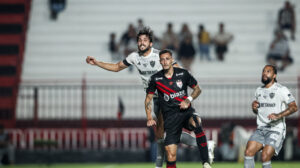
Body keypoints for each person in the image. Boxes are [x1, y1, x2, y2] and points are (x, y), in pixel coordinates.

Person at [86, 27, 214, 168]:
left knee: (167, 133)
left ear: (151, 43)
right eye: (140, 40)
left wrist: (183, 92)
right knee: (160, 135)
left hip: (169, 98)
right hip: (154, 98)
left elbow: (177, 69)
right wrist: (97, 62)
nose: (142, 42)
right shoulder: (134, 57)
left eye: (145, 40)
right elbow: (116, 67)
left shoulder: (159, 56)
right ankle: (203, 145)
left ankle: (160, 163)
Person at [145, 49, 212, 168]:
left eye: (167, 59)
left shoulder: (183, 73)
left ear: (172, 60)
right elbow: (148, 99)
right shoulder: (156, 79)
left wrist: (188, 100)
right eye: (162, 60)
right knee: (170, 156)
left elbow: (198, 89)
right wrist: (149, 117)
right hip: (170, 119)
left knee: (196, 122)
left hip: (186, 113)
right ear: (160, 62)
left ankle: (206, 162)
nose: (165, 62)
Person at [244, 65, 298, 168]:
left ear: (274, 75)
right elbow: (258, 112)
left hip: (276, 130)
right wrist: (254, 109)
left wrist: (278, 115)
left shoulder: (281, 89)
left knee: (265, 156)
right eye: (263, 71)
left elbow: (294, 107)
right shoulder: (258, 91)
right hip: (261, 129)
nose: (264, 73)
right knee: (248, 151)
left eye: (268, 71)